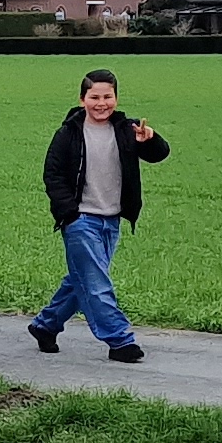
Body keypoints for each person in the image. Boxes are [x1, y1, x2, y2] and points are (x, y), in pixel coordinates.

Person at [30, 70, 168, 362]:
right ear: (82, 100)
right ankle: (120, 340)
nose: (101, 103)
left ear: (116, 99)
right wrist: (70, 214)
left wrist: (150, 140)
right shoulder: (68, 133)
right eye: (94, 97)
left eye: (107, 97)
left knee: (81, 279)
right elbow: (52, 175)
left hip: (112, 220)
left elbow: (159, 154)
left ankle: (45, 325)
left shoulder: (127, 130)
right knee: (95, 283)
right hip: (81, 220)